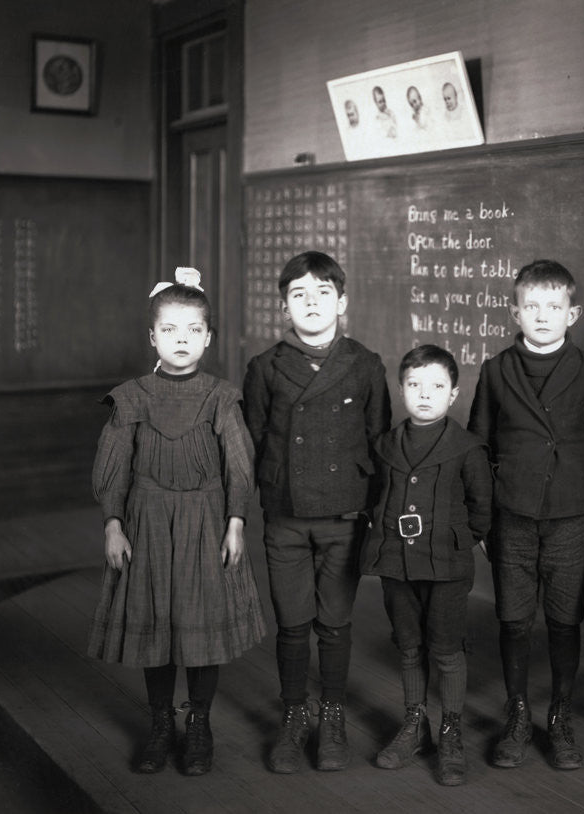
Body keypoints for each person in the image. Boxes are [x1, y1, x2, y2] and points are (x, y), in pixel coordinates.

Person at [88, 267, 266, 777]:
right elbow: (115, 467)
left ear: (208, 337)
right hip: (146, 522)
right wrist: (113, 524)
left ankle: (200, 724)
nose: (181, 340)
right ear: (152, 336)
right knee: (157, 624)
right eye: (170, 330)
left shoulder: (220, 397)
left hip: (205, 521)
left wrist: (235, 522)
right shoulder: (131, 397)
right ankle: (161, 723)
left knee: (200, 625)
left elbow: (239, 463)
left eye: (192, 330)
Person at [468, 260, 584, 771]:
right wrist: (482, 516)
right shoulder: (496, 370)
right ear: (515, 311)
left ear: (572, 313)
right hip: (512, 512)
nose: (542, 316)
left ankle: (560, 716)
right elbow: (479, 446)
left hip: (573, 514)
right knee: (513, 619)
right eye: (531, 306)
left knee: (563, 619)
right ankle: (516, 713)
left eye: (553, 307)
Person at [243, 250, 391, 774]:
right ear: (284, 306)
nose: (311, 303)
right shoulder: (265, 367)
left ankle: (330, 715)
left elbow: (379, 442)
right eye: (299, 295)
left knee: (334, 622)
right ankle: (292, 715)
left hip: (345, 514)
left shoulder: (365, 363)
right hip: (284, 513)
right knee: (291, 623)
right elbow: (254, 443)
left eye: (323, 293)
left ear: (342, 302)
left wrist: (377, 514)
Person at [362, 344, 492, 786]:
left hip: (448, 567)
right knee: (409, 644)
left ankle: (450, 730)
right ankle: (414, 723)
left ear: (453, 394)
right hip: (397, 564)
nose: (424, 394)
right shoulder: (384, 446)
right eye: (414, 384)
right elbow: (373, 496)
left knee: (446, 648)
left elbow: (481, 508)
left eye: (436, 386)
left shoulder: (467, 447)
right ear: (401, 389)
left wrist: (457, 541)